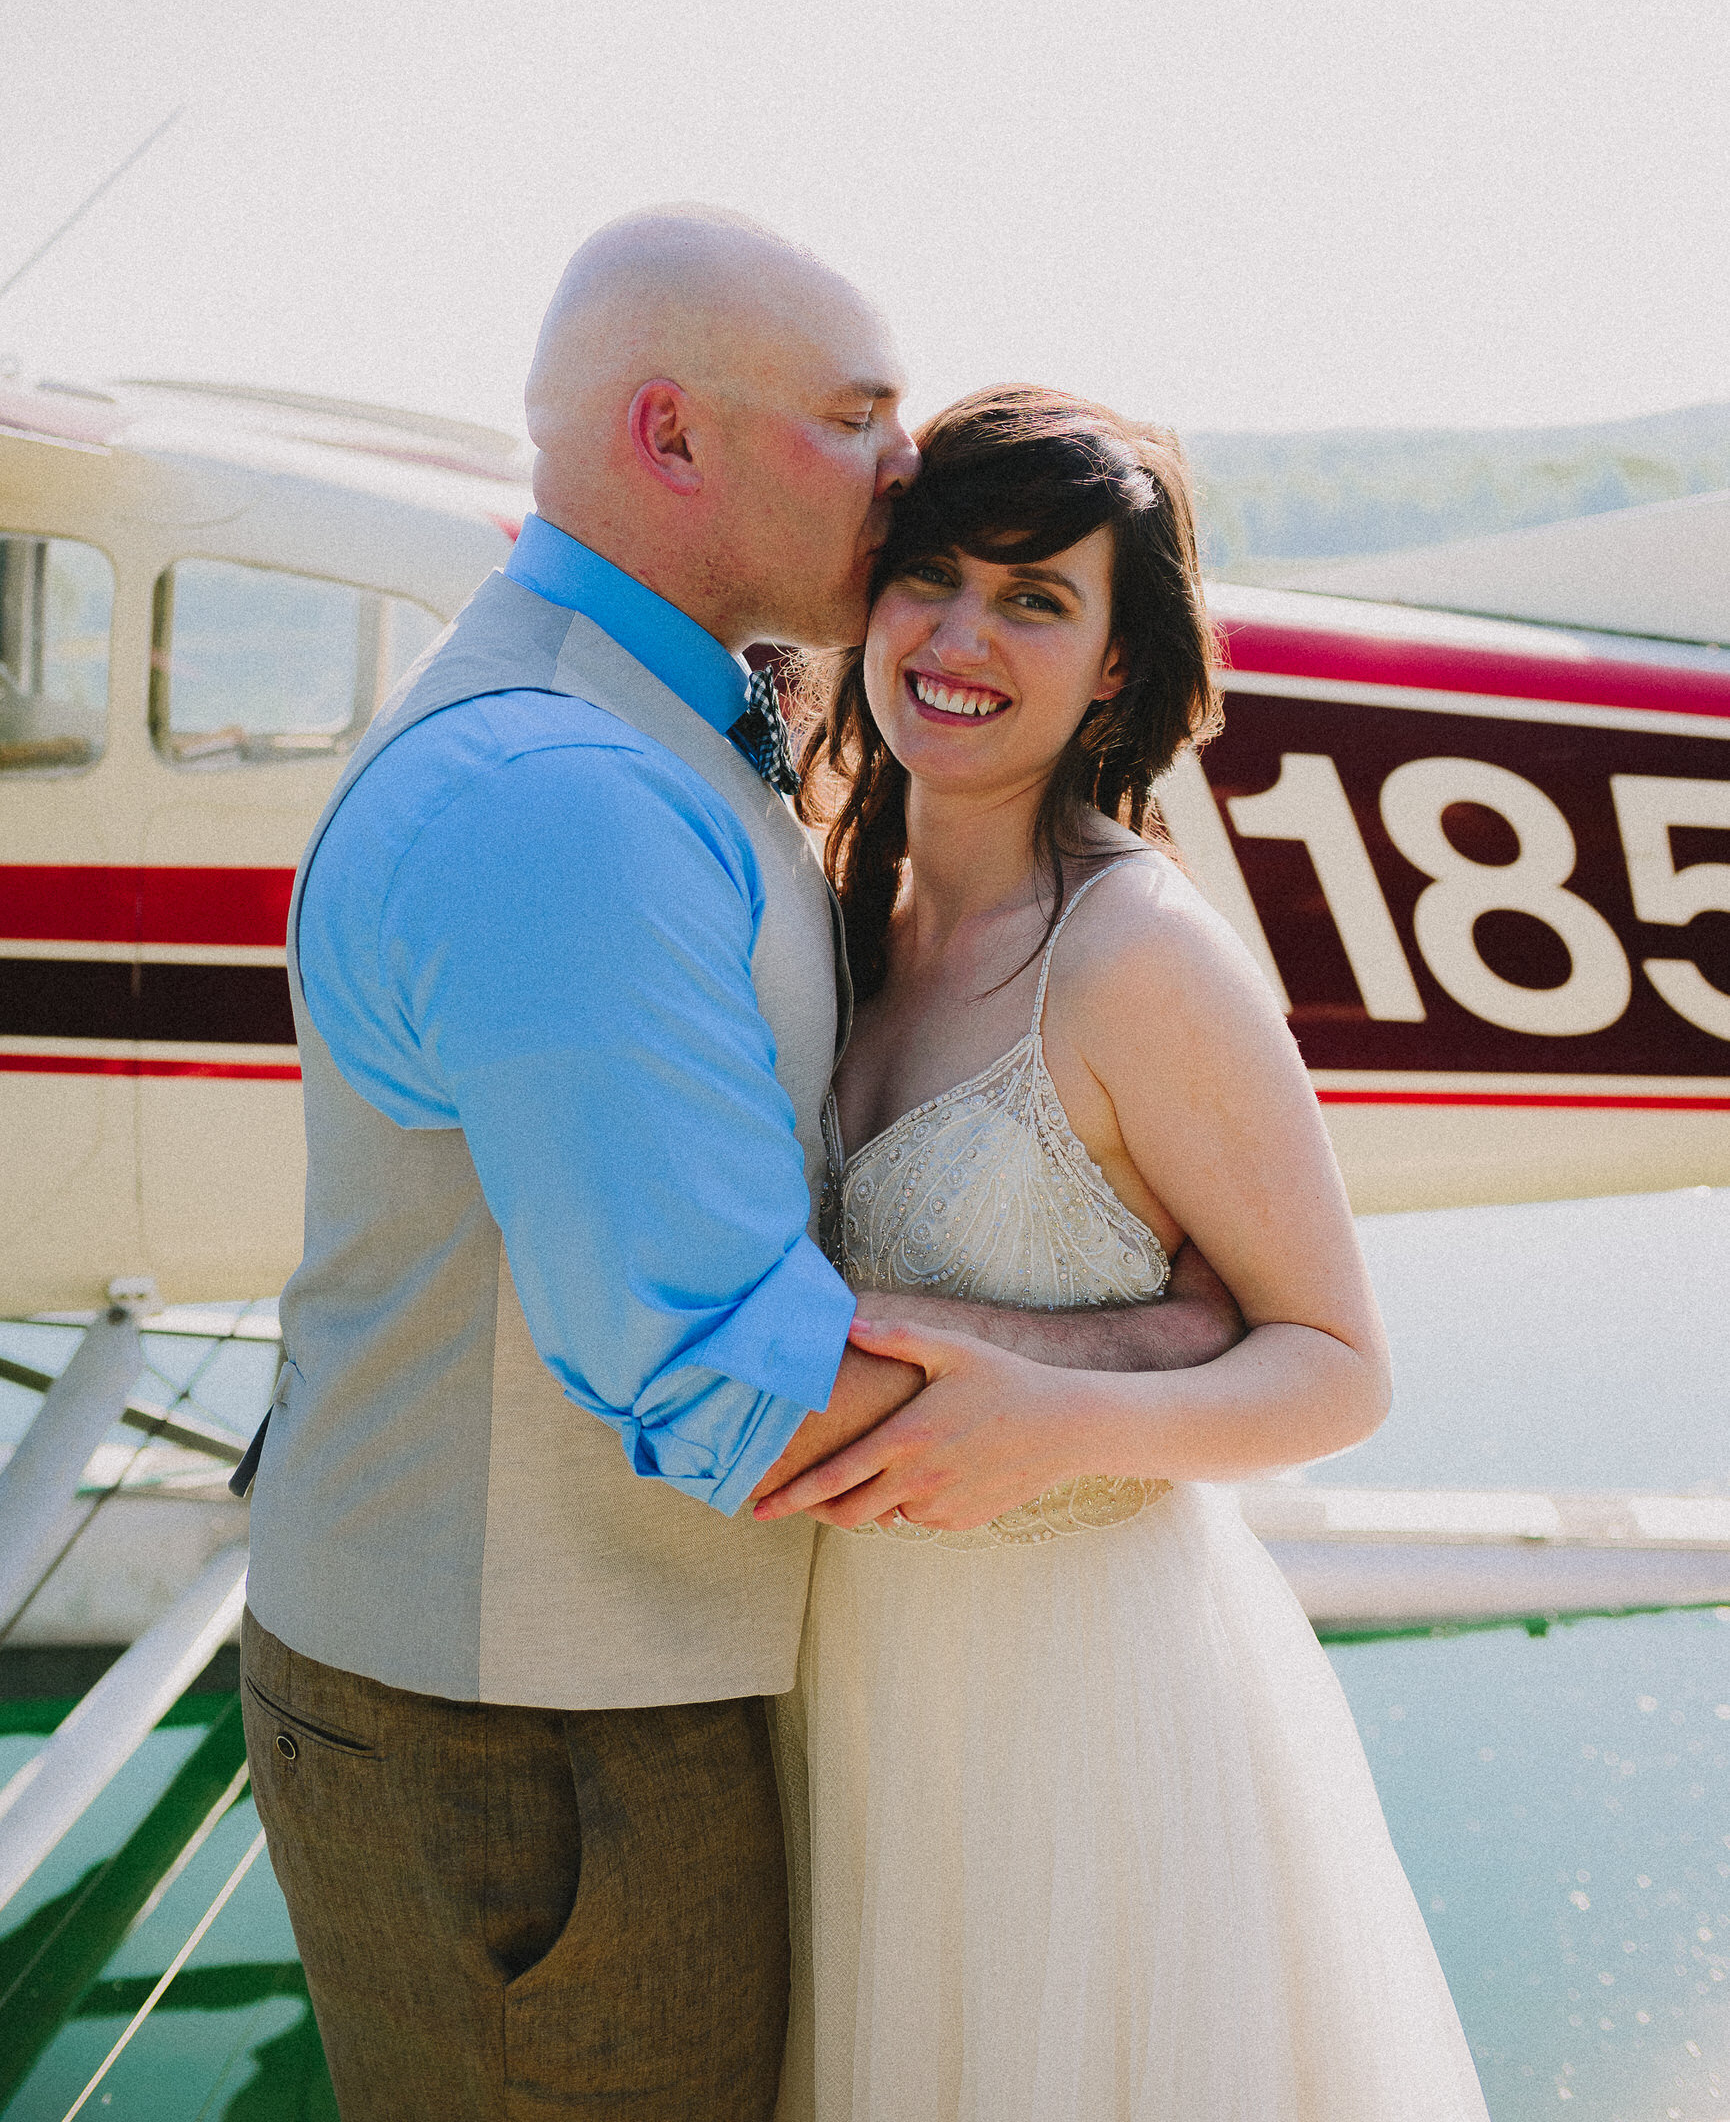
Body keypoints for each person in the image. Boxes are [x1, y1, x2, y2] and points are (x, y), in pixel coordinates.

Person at [239, 211, 1244, 2121]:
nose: (907, 464)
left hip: (574, 1697)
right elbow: (735, 1389)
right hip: (533, 1742)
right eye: (858, 418)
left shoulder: (643, 716)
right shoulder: (569, 802)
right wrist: (1168, 1346)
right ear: (670, 438)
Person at [758, 386, 1492, 2122]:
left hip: (1082, 1717)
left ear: (1110, 667)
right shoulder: (840, 906)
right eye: (931, 576)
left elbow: (1337, 1363)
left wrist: (1056, 1419)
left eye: (1035, 599)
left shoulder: (1133, 955)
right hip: (863, 1690)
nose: (960, 636)